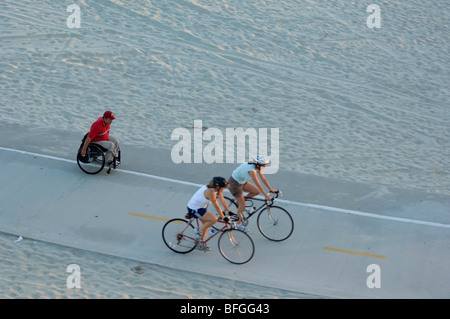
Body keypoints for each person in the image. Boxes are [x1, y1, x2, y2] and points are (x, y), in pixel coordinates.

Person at [228, 155, 277, 230]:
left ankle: (240, 202)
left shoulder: (257, 166)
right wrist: (266, 196)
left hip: (242, 182)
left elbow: (263, 178)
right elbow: (258, 184)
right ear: (259, 164)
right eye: (265, 165)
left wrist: (270, 189)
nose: (266, 166)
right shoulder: (252, 170)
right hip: (234, 184)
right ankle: (238, 224)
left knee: (256, 191)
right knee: (242, 204)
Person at [186, 177, 232, 251]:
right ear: (218, 187)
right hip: (194, 208)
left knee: (207, 224)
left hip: (201, 207)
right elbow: (217, 207)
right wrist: (223, 217)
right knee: (214, 219)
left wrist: (229, 211)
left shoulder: (217, 190)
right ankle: (198, 233)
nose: (224, 189)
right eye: (223, 187)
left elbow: (222, 200)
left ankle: (200, 243)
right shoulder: (211, 192)